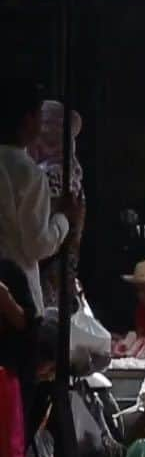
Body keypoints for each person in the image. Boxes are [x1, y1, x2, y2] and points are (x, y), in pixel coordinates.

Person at [0, 80, 76, 315]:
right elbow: (37, 245)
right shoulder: (28, 173)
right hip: (18, 299)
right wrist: (64, 219)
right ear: (28, 120)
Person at [0, 254, 47, 457]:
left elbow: (27, 324)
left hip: (3, 372)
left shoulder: (9, 271)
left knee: (8, 454)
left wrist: (4, 299)